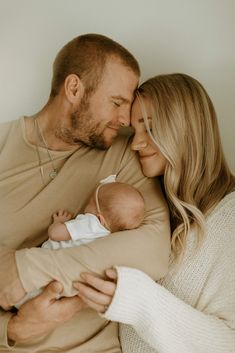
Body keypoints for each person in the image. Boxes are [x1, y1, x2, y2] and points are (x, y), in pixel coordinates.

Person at [0, 34, 171, 352]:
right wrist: (12, 328)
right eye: (117, 102)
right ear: (74, 89)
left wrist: (25, 271)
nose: (125, 119)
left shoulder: (123, 154)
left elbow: (156, 248)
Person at [74, 73, 235, 353]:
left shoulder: (229, 217)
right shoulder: (149, 203)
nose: (136, 144)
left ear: (185, 130)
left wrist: (138, 301)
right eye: (135, 131)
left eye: (149, 128)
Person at [15, 177, 145, 307]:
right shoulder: (108, 239)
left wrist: (58, 223)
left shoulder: (92, 224)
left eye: (91, 203)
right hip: (57, 288)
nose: (85, 207)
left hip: (40, 270)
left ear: (100, 218)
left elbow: (55, 234)